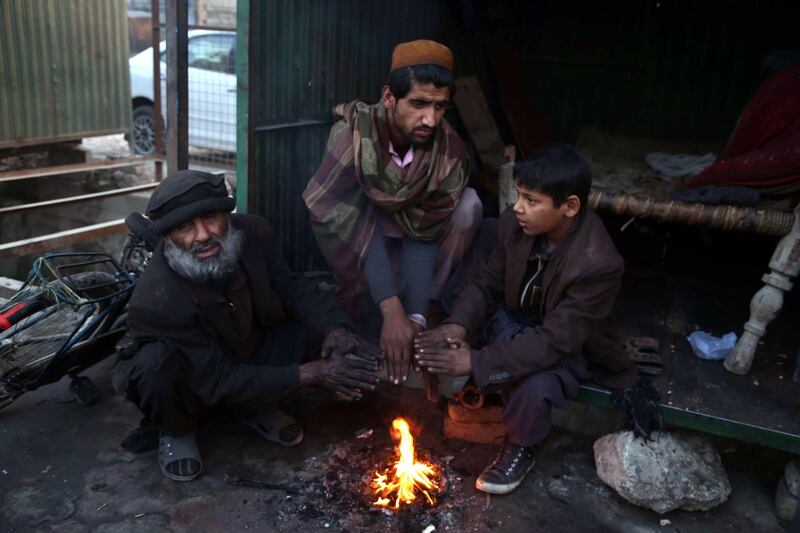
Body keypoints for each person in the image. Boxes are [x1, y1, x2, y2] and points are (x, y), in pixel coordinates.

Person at [120, 170, 382, 482]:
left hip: (246, 344)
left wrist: (335, 329)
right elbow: (216, 378)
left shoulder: (254, 233)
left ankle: (253, 407)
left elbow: (291, 287)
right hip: (197, 377)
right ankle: (178, 430)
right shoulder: (156, 299)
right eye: (185, 227)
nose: (203, 235)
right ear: (168, 237)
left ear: (226, 216)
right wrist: (312, 374)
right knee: (155, 368)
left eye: (210, 218)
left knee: (316, 326)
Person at [414, 144, 638, 495]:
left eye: (531, 200)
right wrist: (457, 326)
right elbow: (487, 281)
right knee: (463, 316)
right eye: (519, 195)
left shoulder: (599, 264)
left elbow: (554, 341)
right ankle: (474, 382)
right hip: (513, 318)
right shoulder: (516, 224)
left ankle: (521, 446)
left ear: (570, 207)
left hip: (563, 342)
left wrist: (473, 361)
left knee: (537, 385)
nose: (518, 206)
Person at [303, 39, 482, 389]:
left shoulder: (450, 151)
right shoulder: (352, 138)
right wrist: (389, 307)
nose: (430, 119)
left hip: (416, 245)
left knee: (470, 206)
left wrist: (412, 315)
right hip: (367, 244)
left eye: (440, 107)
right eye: (418, 104)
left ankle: (426, 305)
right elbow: (337, 217)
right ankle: (373, 303)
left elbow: (424, 232)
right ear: (389, 97)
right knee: (357, 217)